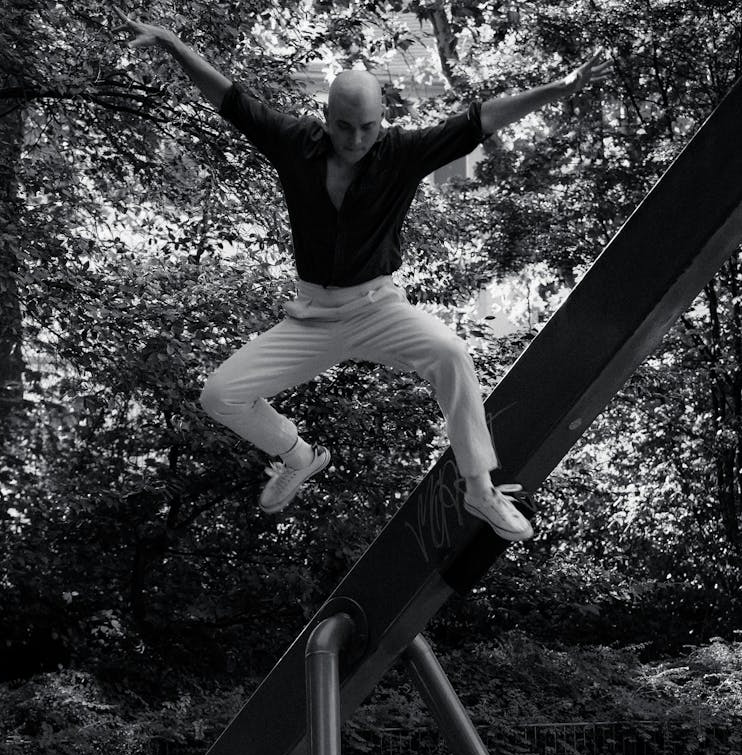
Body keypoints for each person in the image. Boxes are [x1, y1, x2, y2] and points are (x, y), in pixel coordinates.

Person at [119, 11, 610, 541]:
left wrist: (560, 88)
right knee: (219, 395)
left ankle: (479, 487)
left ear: (382, 121)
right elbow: (233, 101)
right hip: (311, 316)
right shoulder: (293, 143)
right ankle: (298, 456)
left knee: (451, 354)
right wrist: (173, 45)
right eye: (344, 127)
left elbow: (478, 121)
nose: (355, 140)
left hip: (378, 308)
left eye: (368, 128)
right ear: (326, 118)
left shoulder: (402, 154)